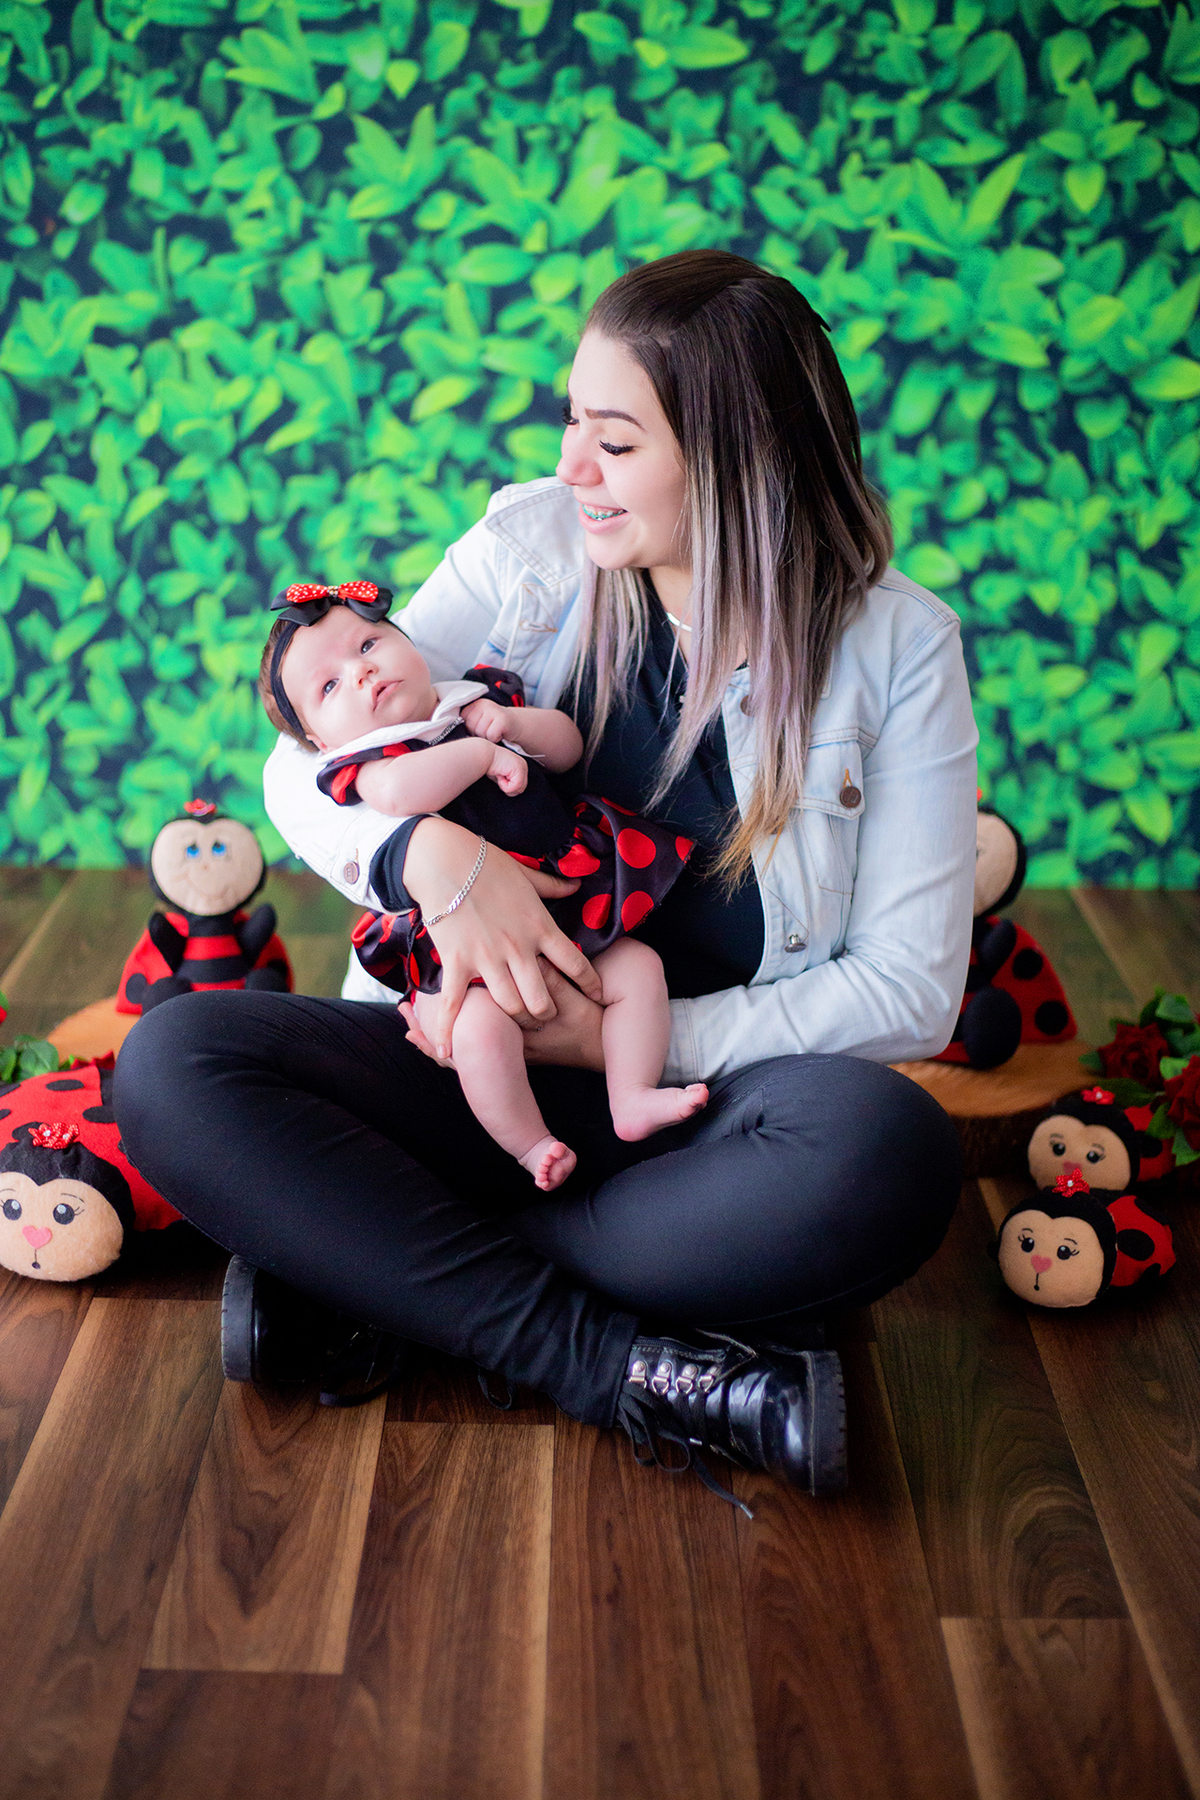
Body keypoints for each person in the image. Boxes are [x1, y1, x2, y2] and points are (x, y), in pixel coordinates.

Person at [115, 249, 978, 1502]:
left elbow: (911, 990)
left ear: (739, 460)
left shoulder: (897, 648)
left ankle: (389, 1276)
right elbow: (308, 765)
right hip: (464, 1073)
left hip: (690, 1124)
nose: (573, 467)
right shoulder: (529, 547)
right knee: (174, 1063)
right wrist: (433, 856)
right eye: (575, 421)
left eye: (615, 443)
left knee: (888, 1152)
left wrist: (632, 1041)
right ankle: (624, 1365)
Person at [258, 583, 708, 1190]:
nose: (361, 671)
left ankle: (632, 1097)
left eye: (369, 643)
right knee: (477, 1033)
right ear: (320, 742)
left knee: (639, 971)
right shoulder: (368, 765)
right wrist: (477, 755)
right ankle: (529, 1145)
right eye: (330, 686)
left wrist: (515, 723)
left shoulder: (475, 697)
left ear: (409, 646)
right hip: (457, 952)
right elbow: (402, 796)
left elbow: (567, 748)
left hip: (567, 909)